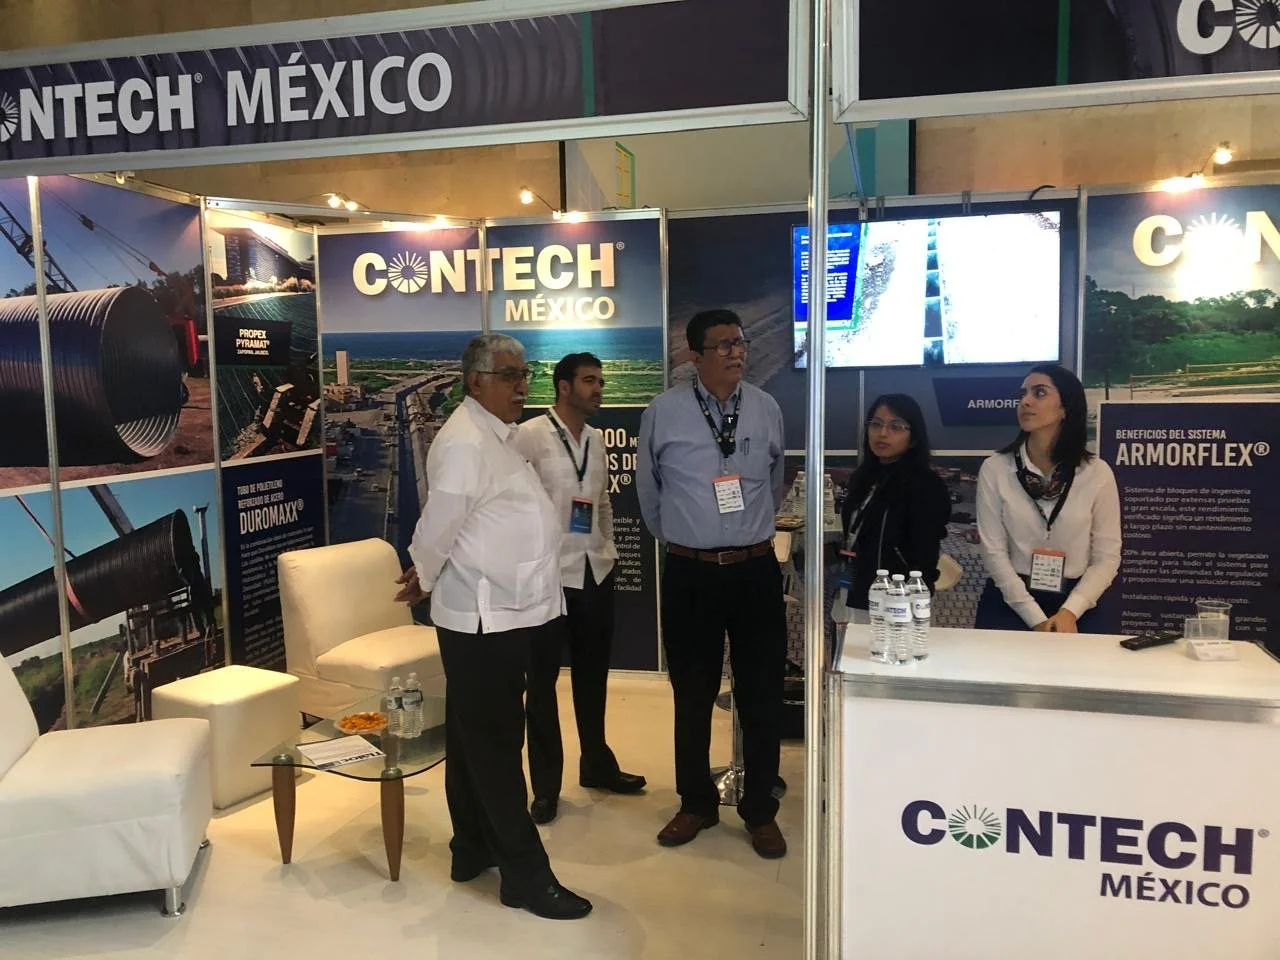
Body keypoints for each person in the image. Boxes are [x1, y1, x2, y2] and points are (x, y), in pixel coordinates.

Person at [394, 333, 592, 920]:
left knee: (471, 735)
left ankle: (471, 848)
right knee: (497, 745)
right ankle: (527, 877)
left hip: (509, 611)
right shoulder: (463, 442)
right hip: (484, 618)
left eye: (524, 374)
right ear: (475, 380)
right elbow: (439, 524)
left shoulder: (496, 436)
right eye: (509, 375)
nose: (521, 386)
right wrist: (423, 574)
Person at [637, 308, 789, 860]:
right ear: (694, 356)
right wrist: (688, 540)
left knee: (761, 693)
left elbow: (773, 480)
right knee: (693, 692)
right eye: (722, 344)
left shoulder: (766, 407)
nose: (735, 352)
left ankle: (759, 810)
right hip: (690, 572)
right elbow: (650, 494)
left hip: (753, 570)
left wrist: (744, 535)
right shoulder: (663, 413)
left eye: (739, 342)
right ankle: (695, 802)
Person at [516, 352, 647, 825]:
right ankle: (546, 786)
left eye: (601, 381)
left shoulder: (595, 439)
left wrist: (608, 550)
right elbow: (514, 508)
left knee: (593, 677)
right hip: (547, 578)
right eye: (590, 381)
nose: (599, 389)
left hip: (594, 572)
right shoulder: (528, 436)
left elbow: (603, 502)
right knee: (543, 685)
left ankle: (597, 763)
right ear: (563, 387)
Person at [975, 363, 1121, 632]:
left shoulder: (1096, 473)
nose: (1026, 401)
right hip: (1011, 603)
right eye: (1023, 395)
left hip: (1078, 604)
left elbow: (1107, 557)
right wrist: (1036, 618)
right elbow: (993, 551)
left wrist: (1069, 612)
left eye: (1039, 393)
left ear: (1065, 407)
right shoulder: (996, 469)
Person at [836, 394, 951, 617]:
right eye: (876, 424)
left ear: (914, 437)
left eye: (896, 427)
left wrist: (915, 599)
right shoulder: (864, 477)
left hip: (897, 601)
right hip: (856, 587)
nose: (882, 433)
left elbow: (925, 552)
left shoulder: (926, 485)